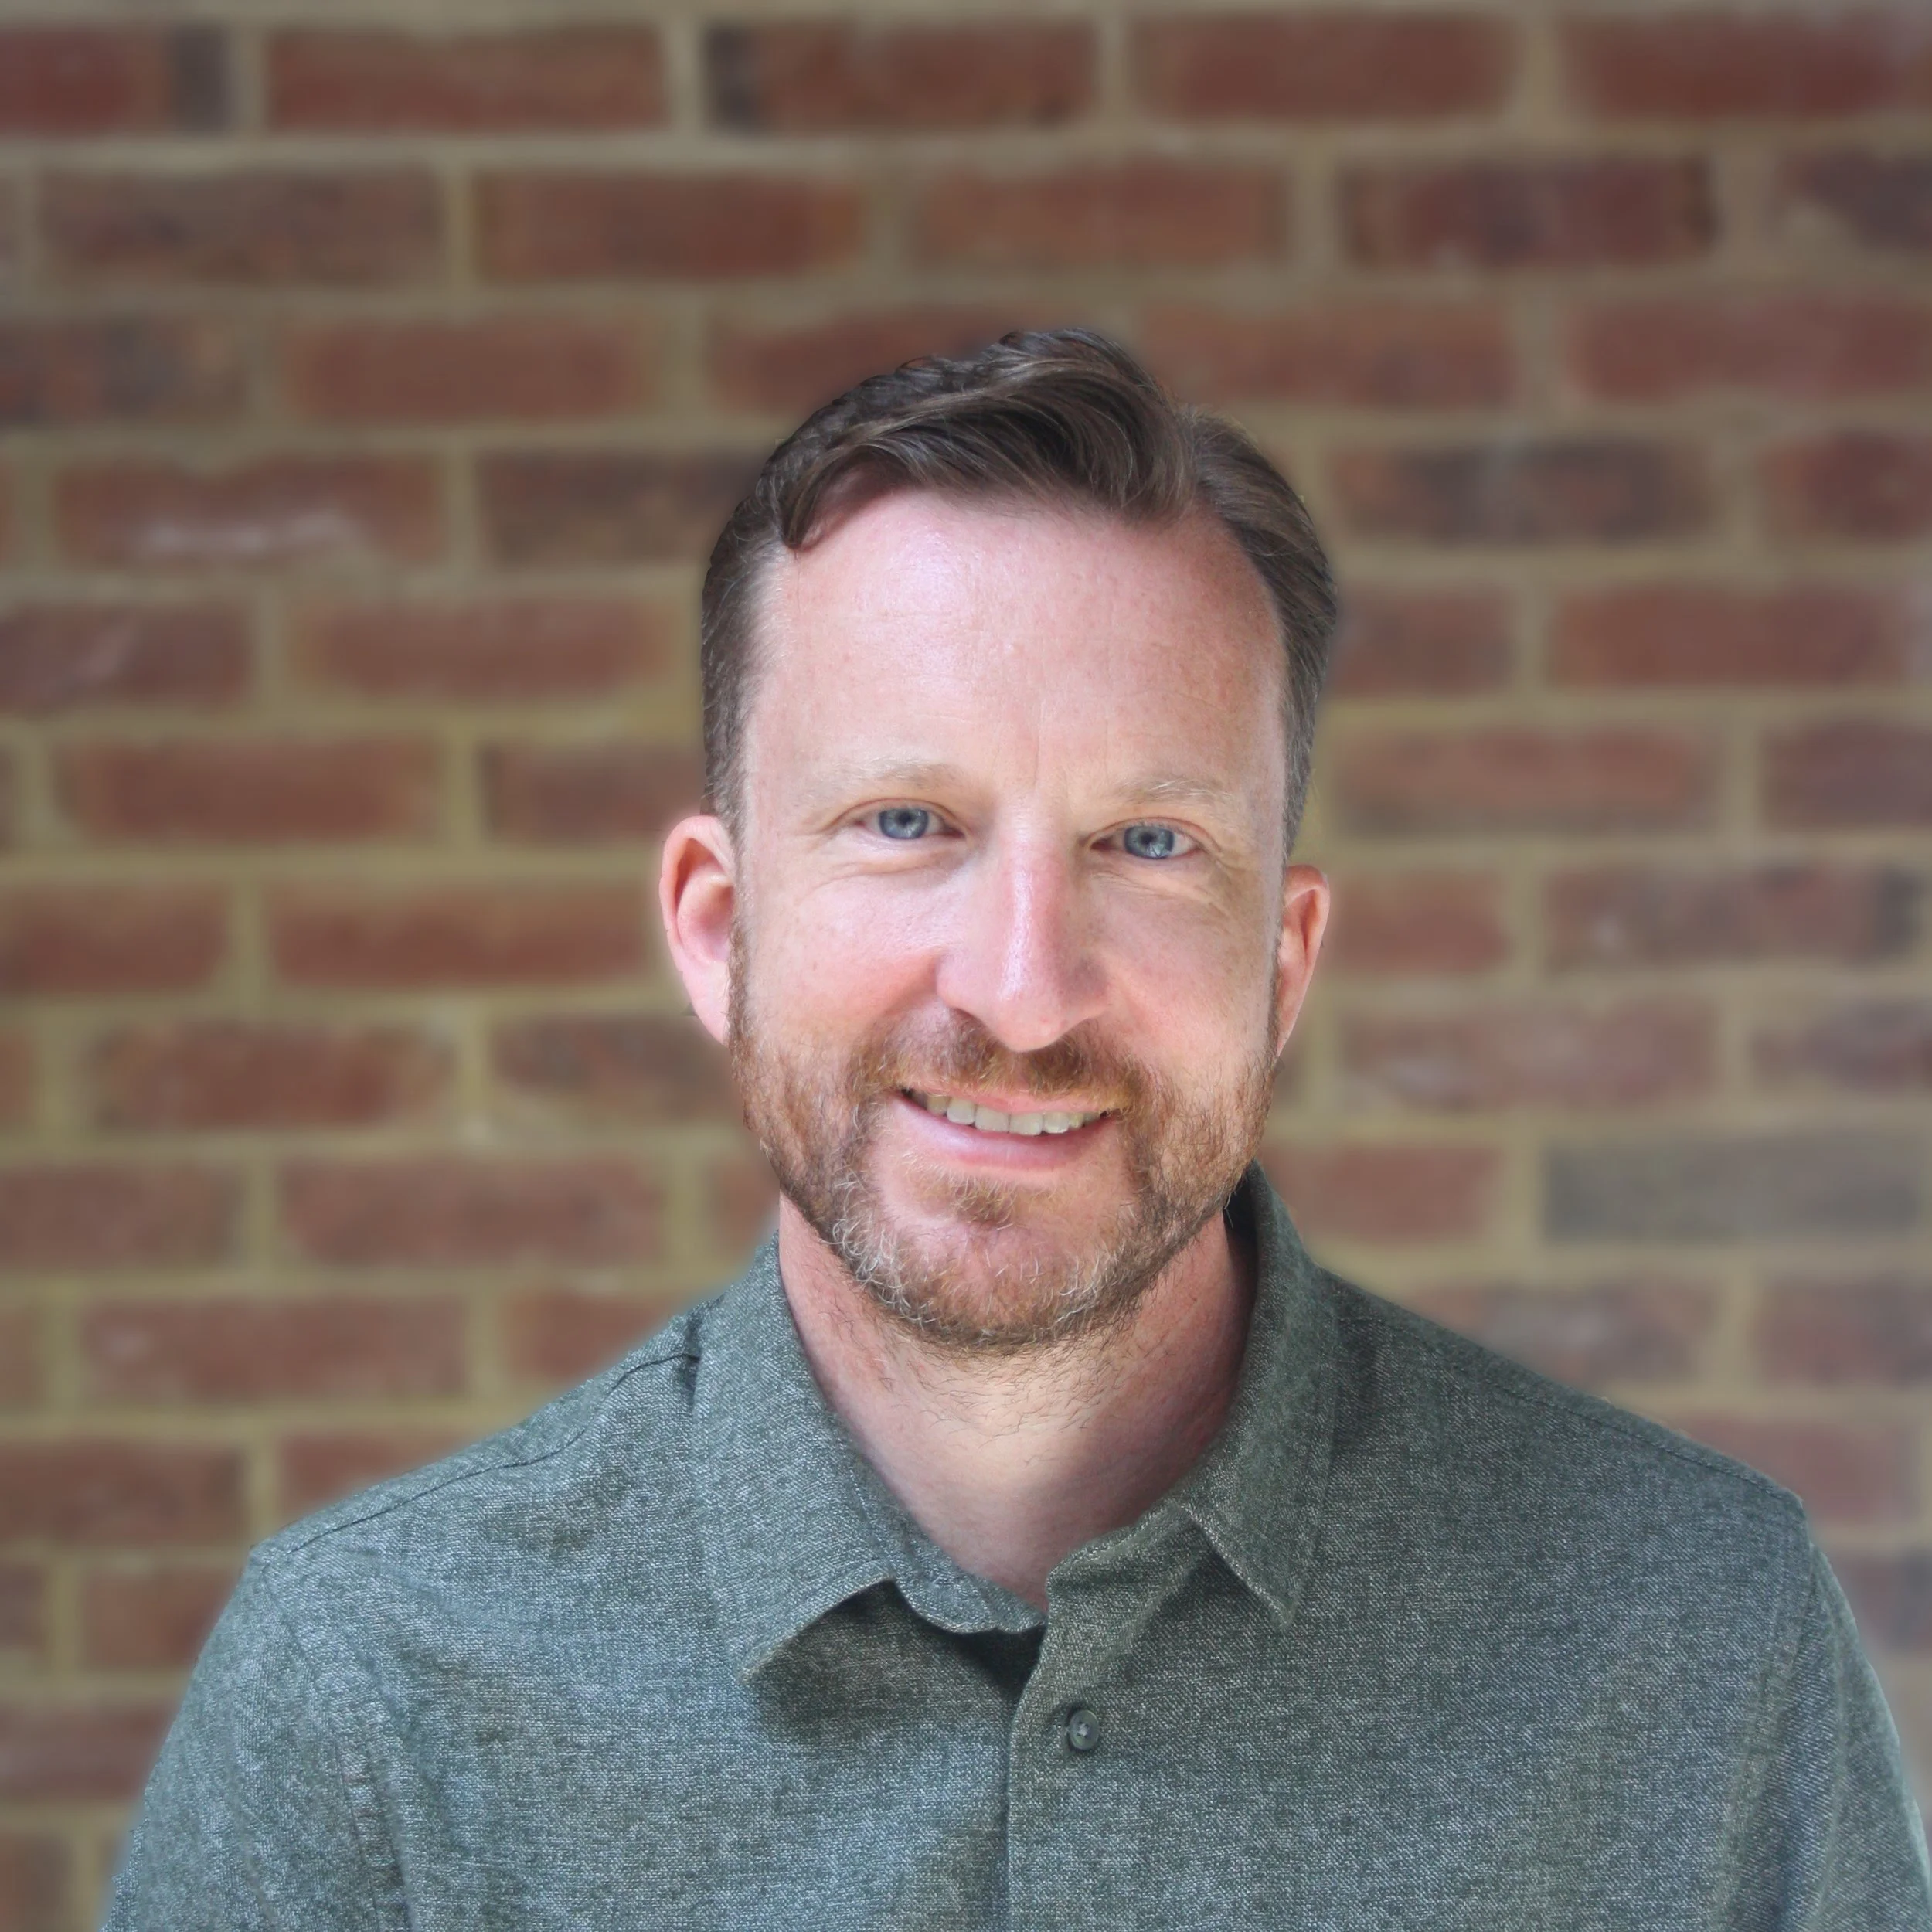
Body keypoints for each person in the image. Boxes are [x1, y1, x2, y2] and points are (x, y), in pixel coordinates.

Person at [106, 331, 1930, 1930]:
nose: (1023, 986)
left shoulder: (1696, 1641)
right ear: (716, 927)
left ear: (1280, 961)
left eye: (1148, 842)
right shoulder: (372, 1694)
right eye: (907, 820)